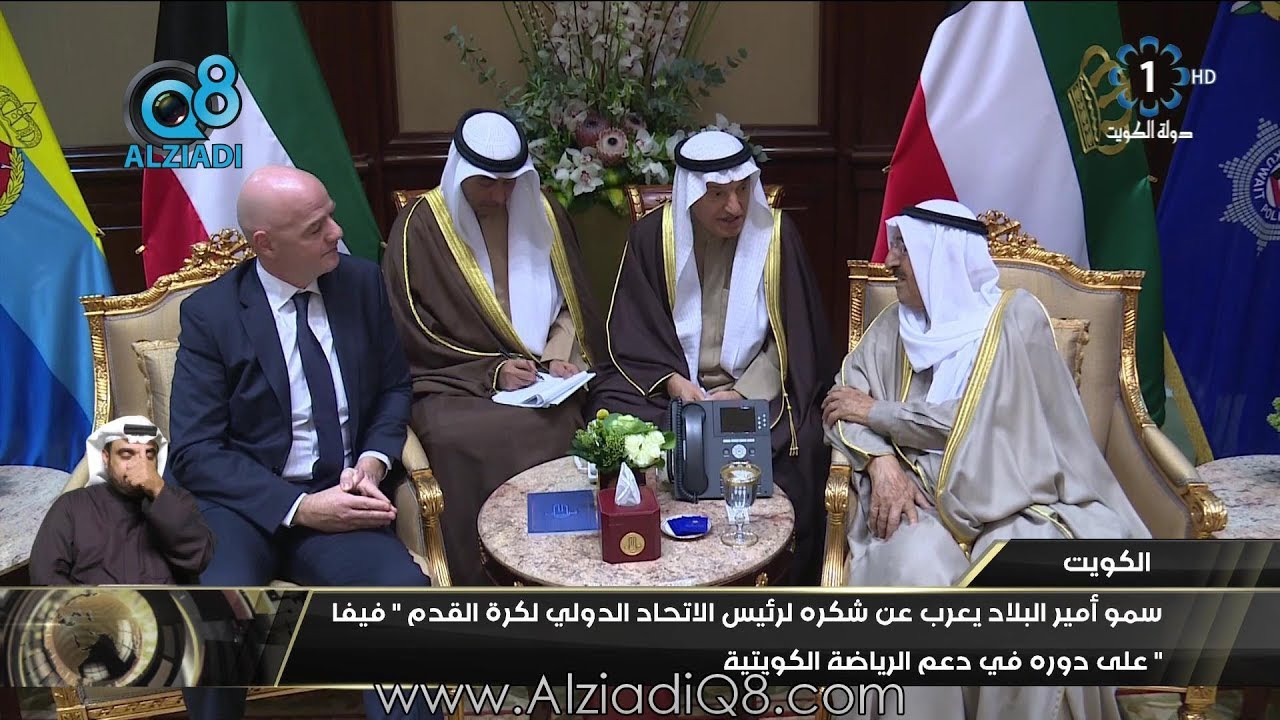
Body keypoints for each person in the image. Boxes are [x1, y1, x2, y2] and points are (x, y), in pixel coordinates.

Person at [824, 198, 1149, 718]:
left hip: (1015, 501)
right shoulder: (891, 327)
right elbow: (842, 404)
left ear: (942, 257)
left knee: (1026, 592)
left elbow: (982, 418)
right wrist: (880, 462)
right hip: (916, 503)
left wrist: (881, 413)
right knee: (913, 582)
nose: (890, 261)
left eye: (904, 249)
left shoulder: (1016, 319)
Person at [169, 165, 437, 720]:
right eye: (316, 228)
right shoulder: (212, 315)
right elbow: (195, 451)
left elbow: (393, 389)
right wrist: (301, 508)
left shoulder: (361, 283)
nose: (337, 232)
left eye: (331, 216)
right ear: (265, 244)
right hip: (241, 508)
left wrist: (373, 461)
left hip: (342, 494)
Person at [587, 129, 835, 585]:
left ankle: (778, 574)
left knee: (807, 437)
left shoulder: (777, 237)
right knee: (610, 408)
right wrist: (674, 382)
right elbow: (634, 329)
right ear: (690, 193)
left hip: (756, 387)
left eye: (741, 190)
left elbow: (794, 340)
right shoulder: (653, 237)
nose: (734, 207)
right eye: (718, 194)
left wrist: (743, 391)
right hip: (673, 387)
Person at [382, 109, 604, 586]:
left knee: (562, 423)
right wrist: (492, 371)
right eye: (487, 184)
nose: (500, 196)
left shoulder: (543, 211)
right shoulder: (420, 227)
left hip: (541, 381)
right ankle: (482, 581)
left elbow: (573, 304)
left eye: (509, 183)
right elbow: (410, 330)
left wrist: (555, 354)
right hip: (452, 383)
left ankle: (564, 570)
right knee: (457, 440)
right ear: (460, 172)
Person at [29, 416, 213, 586]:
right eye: (127, 454)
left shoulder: (178, 501)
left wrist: (158, 490)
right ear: (106, 457)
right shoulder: (72, 506)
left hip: (161, 608)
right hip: (89, 608)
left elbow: (198, 557)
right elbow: (46, 577)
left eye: (149, 455)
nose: (140, 464)